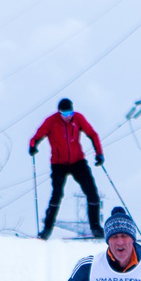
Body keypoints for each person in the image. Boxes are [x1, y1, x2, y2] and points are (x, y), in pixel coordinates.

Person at [30, 97, 106, 240]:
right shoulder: (51, 121)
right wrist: (33, 146)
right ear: (59, 113)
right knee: (57, 194)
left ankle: (96, 228)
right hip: (58, 164)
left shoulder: (78, 118)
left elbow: (92, 134)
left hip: (77, 161)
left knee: (92, 192)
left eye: (70, 113)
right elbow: (37, 136)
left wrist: (99, 154)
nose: (68, 117)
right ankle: (46, 229)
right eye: (64, 114)